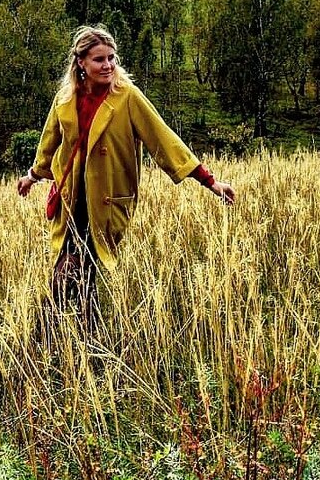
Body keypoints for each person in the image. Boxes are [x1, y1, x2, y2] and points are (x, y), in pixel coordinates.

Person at [17, 25, 235, 336]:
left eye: (111, 58)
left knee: (73, 271)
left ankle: (45, 338)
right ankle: (85, 345)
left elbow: (163, 139)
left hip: (106, 203)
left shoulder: (127, 97)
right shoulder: (65, 99)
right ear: (81, 63)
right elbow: (50, 142)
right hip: (71, 201)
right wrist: (32, 176)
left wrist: (210, 182)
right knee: (77, 275)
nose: (107, 66)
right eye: (99, 60)